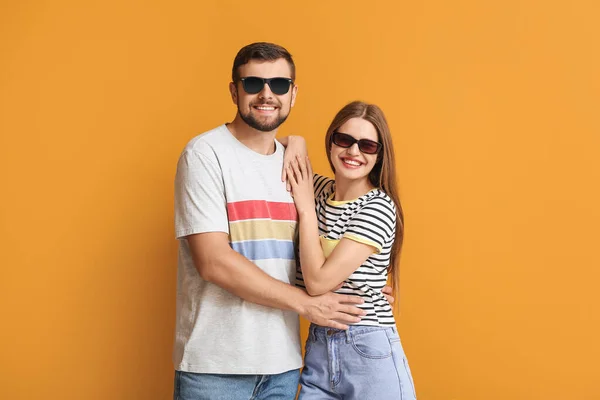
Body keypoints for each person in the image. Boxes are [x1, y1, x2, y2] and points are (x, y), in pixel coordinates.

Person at [172, 43, 395, 400]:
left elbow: (344, 224)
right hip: (216, 367)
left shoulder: (297, 171)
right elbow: (213, 262)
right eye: (253, 83)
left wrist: (370, 279)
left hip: (284, 365)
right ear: (234, 90)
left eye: (279, 85)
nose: (266, 94)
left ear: (293, 93)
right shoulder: (205, 154)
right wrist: (305, 303)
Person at [285, 101, 417, 399]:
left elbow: (318, 283)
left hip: (368, 345)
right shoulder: (318, 190)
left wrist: (306, 211)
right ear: (331, 141)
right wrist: (297, 141)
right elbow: (271, 147)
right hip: (319, 346)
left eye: (367, 145)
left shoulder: (378, 207)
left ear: (379, 155)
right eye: (344, 140)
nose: (353, 152)